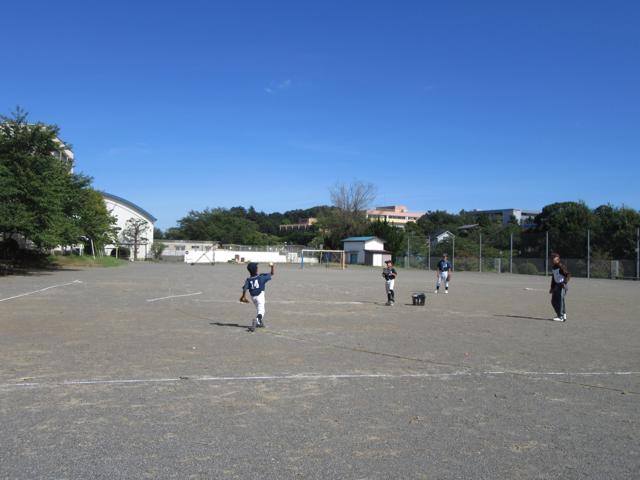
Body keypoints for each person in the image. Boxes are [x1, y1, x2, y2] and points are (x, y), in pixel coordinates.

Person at [240, 262, 275, 332]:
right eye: (257, 267)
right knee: (262, 311)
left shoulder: (248, 279)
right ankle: (257, 320)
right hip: (260, 296)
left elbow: (244, 289)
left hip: (253, 297)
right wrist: (272, 267)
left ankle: (260, 323)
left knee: (259, 309)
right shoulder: (261, 277)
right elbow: (272, 273)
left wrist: (243, 297)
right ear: (256, 270)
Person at [549, 253, 570, 322]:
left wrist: (564, 283)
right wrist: (552, 288)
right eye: (551, 258)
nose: (552, 260)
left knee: (560, 300)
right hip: (556, 286)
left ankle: (561, 316)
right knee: (553, 301)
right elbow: (553, 278)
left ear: (558, 259)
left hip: (562, 285)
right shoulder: (554, 267)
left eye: (553, 258)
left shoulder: (561, 266)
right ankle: (562, 315)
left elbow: (568, 274)